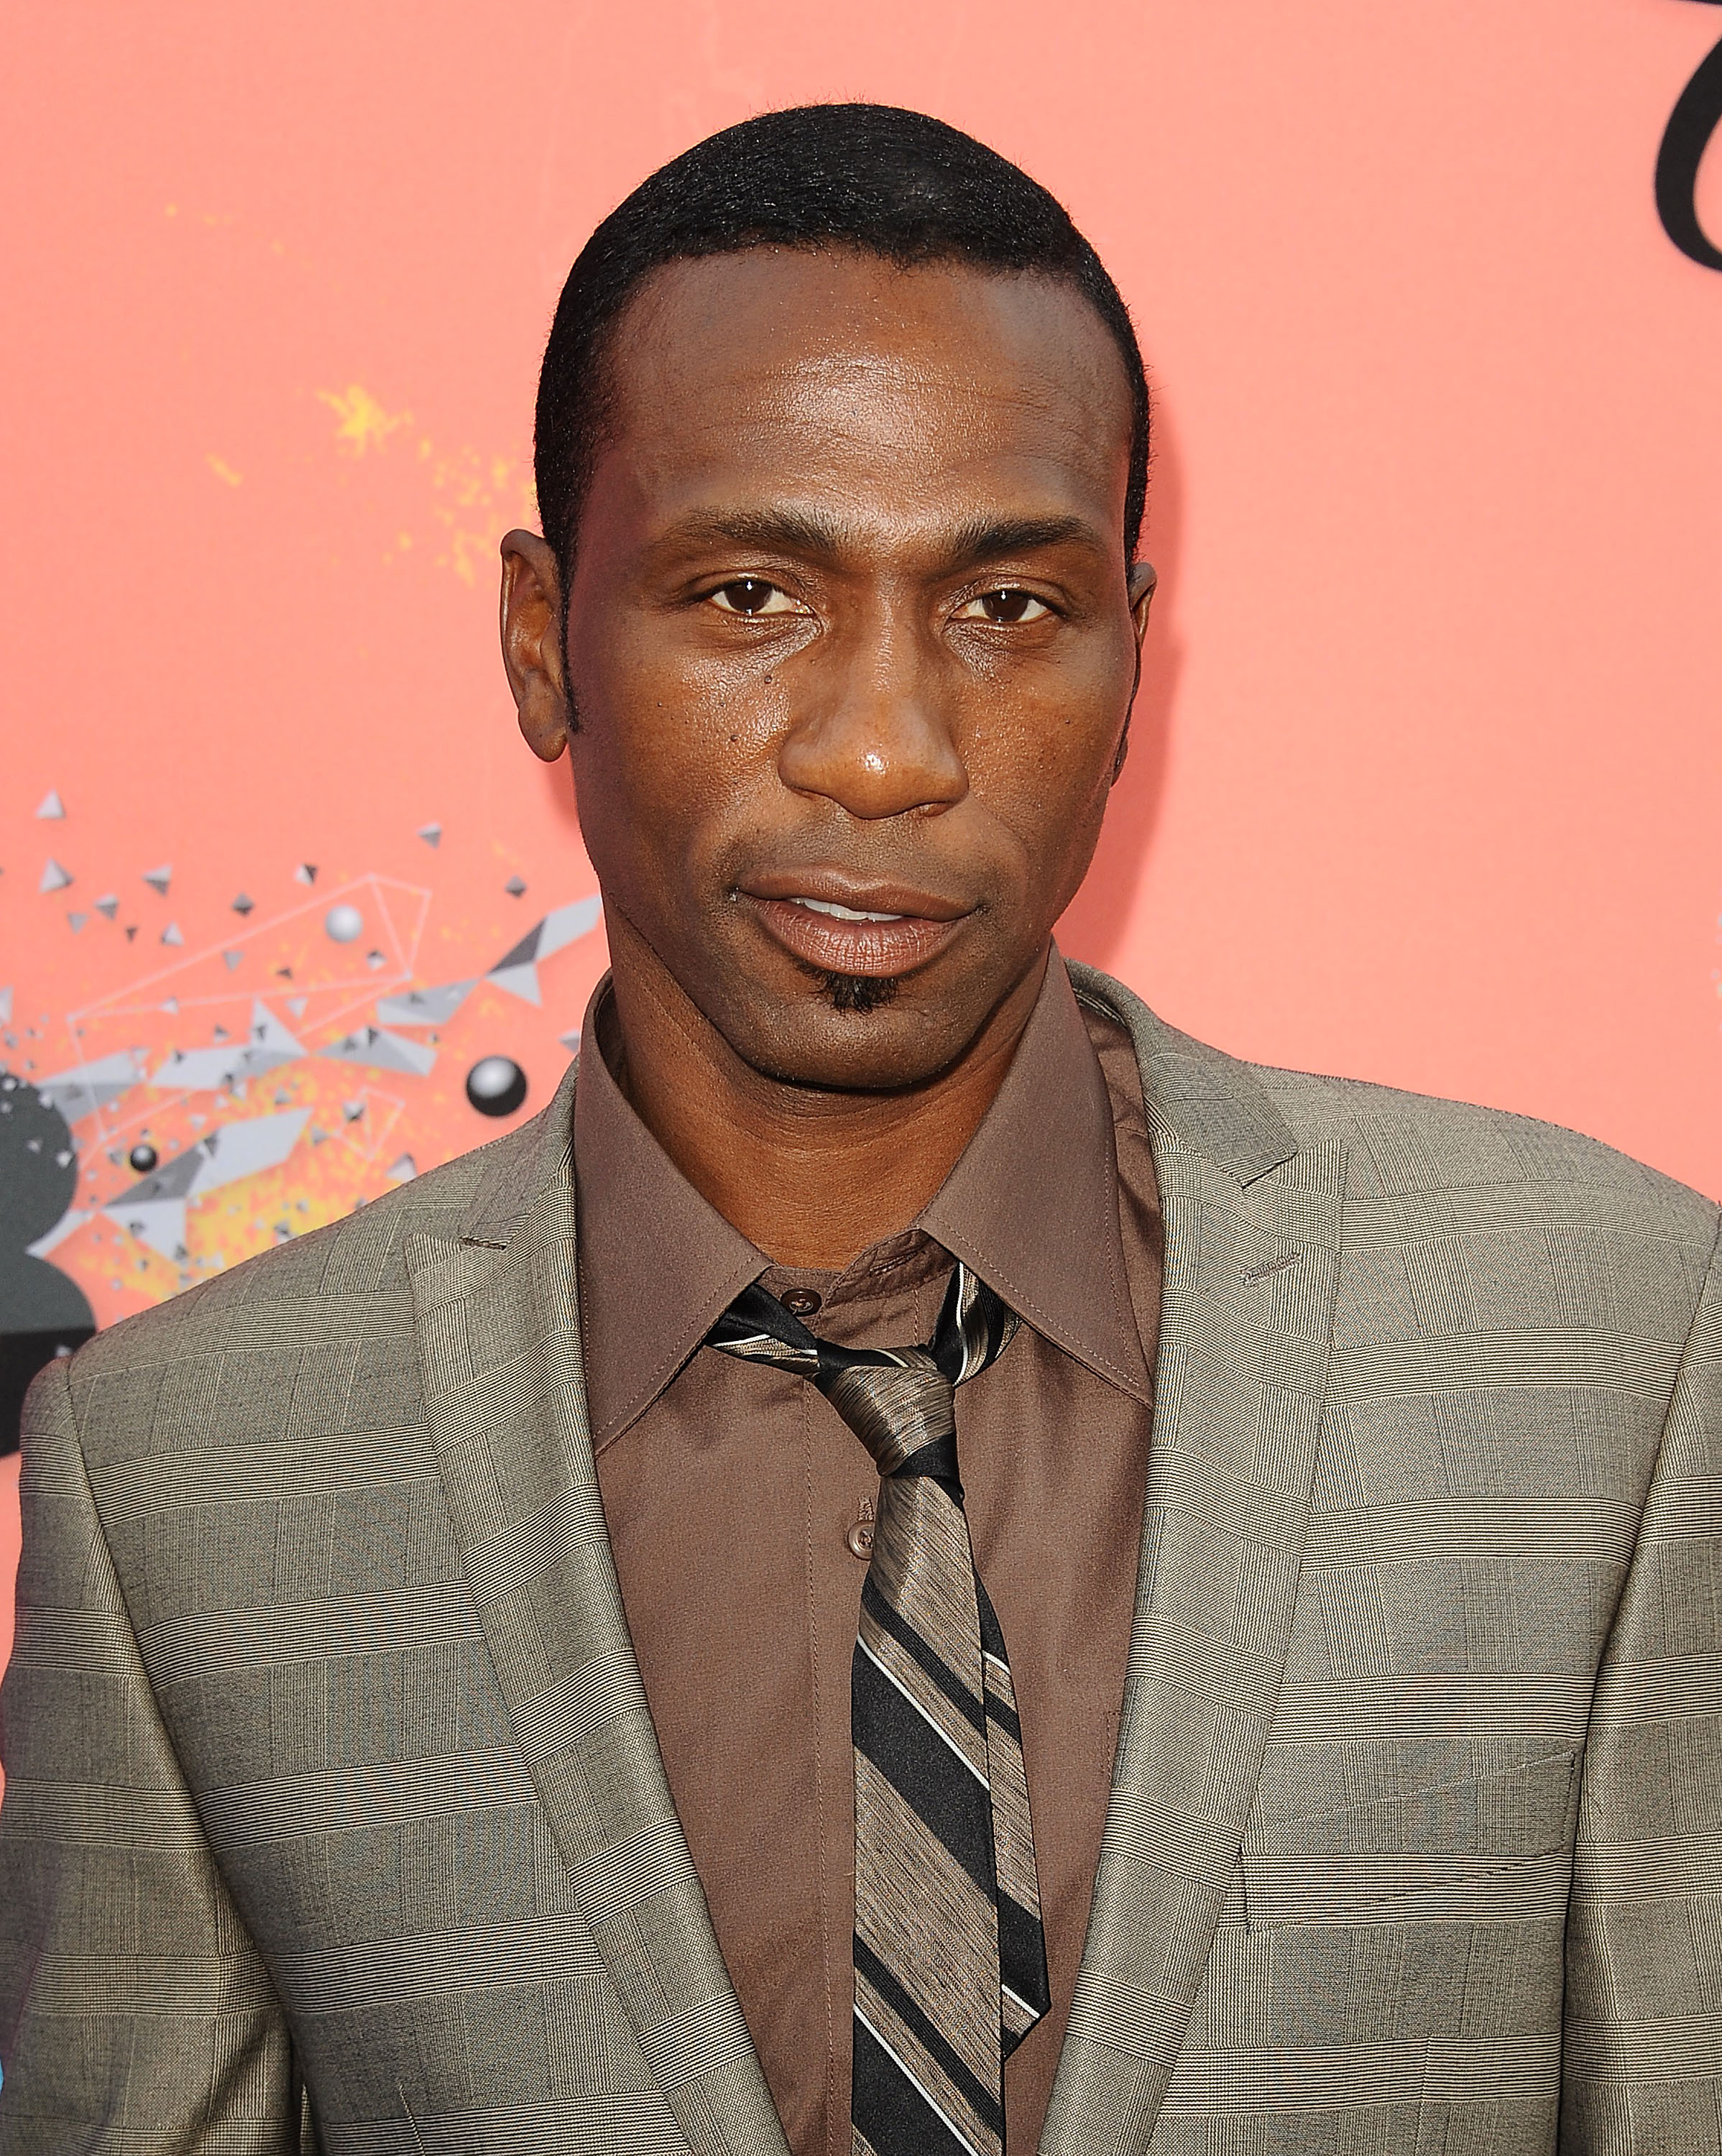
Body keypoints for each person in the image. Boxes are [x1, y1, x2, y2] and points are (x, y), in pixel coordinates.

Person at [1, 101, 1718, 2156]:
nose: (889, 747)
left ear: (1129, 651)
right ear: (544, 641)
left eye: (1005, 609)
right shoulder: (188, 1478)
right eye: (747, 596)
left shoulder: (1599, 1345)